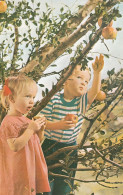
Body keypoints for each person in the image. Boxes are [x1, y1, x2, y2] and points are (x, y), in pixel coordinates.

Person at [41, 54, 104, 195]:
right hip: (49, 147)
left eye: (87, 81)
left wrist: (97, 73)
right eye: (79, 78)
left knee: (64, 186)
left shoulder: (80, 103)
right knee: (45, 187)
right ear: (66, 80)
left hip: (70, 149)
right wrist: (58, 126)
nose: (84, 83)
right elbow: (41, 123)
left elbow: (94, 92)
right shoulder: (53, 99)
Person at [0, 74, 51, 195]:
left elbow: (35, 143)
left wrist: (40, 130)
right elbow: (14, 146)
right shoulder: (9, 122)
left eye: (33, 97)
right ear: (12, 99)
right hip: (16, 173)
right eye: (27, 96)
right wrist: (31, 129)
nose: (32, 101)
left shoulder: (26, 121)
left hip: (28, 169)